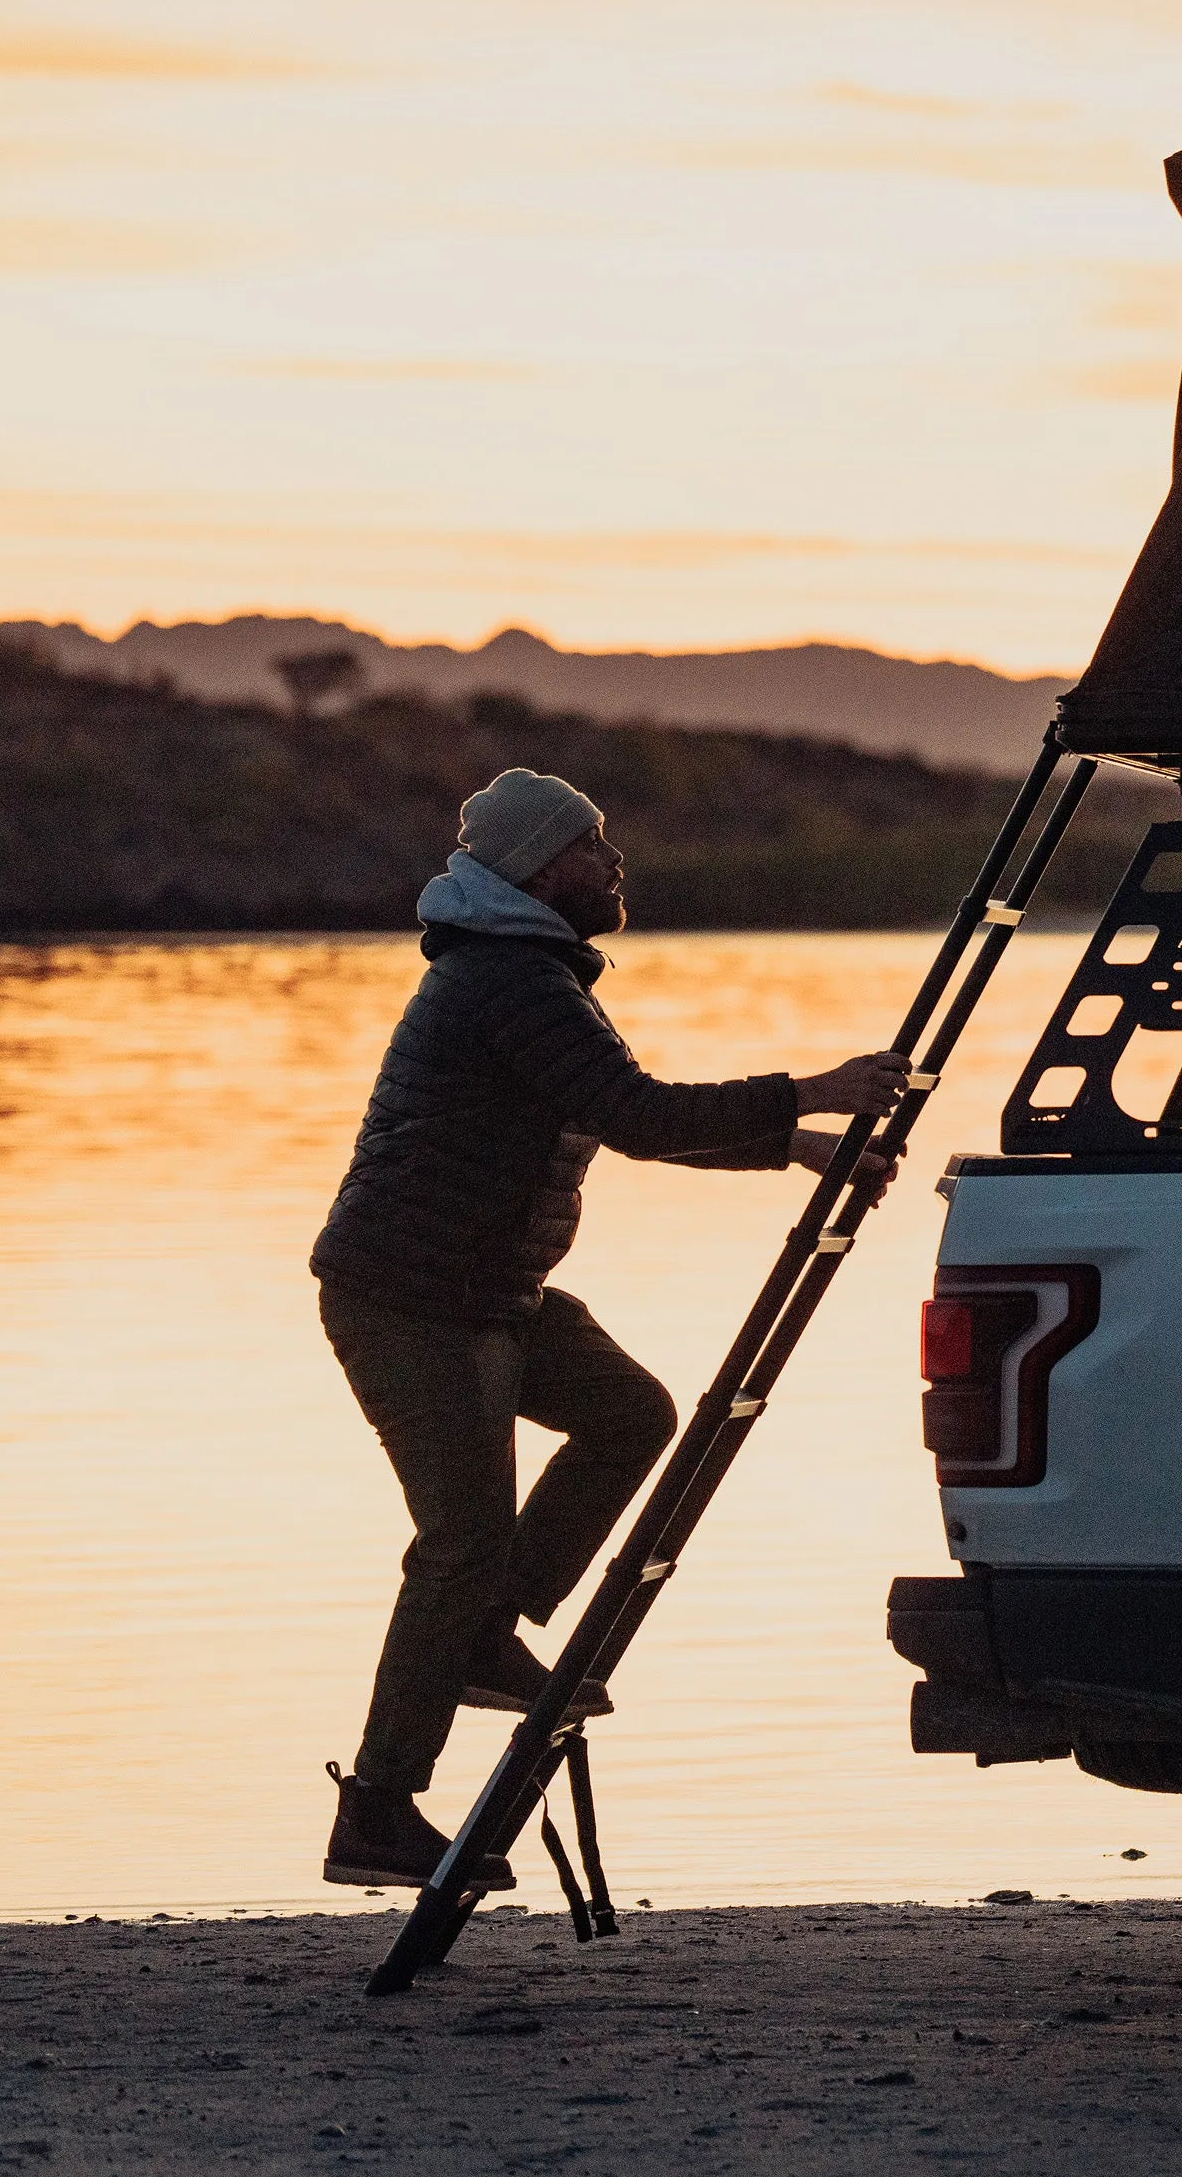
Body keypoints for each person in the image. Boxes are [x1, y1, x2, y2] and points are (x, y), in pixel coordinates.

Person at [309, 767, 908, 1889]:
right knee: (460, 1539)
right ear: (538, 865)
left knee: (630, 1413)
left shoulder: (531, 971)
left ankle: (490, 1632)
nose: (616, 861)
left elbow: (621, 1113)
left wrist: (791, 1147)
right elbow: (637, 1115)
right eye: (594, 844)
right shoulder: (508, 981)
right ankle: (380, 1807)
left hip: (492, 1289)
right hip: (410, 1298)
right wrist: (815, 1092)